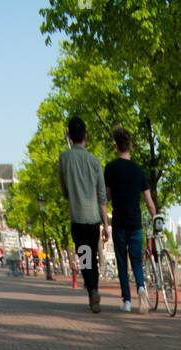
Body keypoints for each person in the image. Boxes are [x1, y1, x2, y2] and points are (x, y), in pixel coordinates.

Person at [59, 115, 110, 313]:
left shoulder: (64, 158)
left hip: (77, 218)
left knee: (86, 259)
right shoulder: (94, 161)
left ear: (70, 136)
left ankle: (93, 292)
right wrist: (106, 225)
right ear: (85, 136)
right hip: (94, 219)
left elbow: (64, 191)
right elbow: (102, 197)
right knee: (93, 258)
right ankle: (94, 289)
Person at [104, 126, 157, 313]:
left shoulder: (110, 169)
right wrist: (156, 218)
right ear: (130, 146)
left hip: (119, 223)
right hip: (136, 224)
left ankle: (126, 301)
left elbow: (107, 196)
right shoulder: (139, 171)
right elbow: (150, 203)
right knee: (136, 261)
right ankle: (141, 288)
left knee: (121, 262)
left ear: (116, 146)